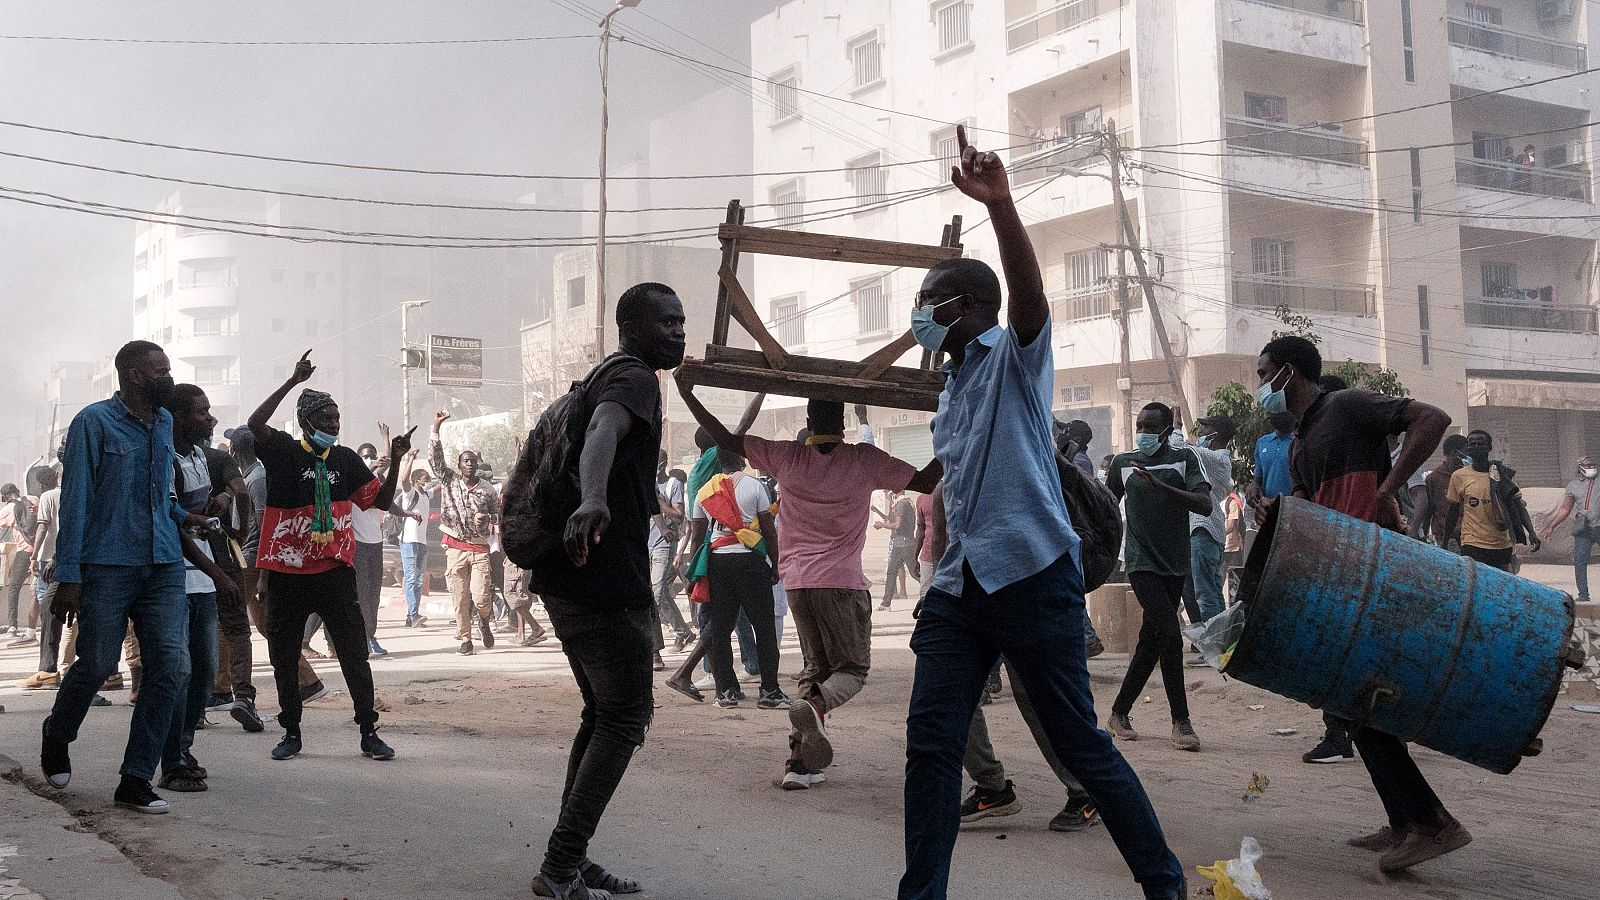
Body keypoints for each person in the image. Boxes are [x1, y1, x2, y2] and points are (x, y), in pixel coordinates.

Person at [896, 125, 1184, 900]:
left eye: (930, 302)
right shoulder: (951, 393)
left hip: (1031, 578)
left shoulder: (1013, 360)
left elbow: (1028, 297)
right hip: (962, 592)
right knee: (930, 747)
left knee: (1080, 747)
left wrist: (1001, 204)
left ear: (969, 308)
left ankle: (1165, 884)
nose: (919, 315)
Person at [1257, 334, 1469, 873]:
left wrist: (1387, 489)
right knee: (1356, 704)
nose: (1261, 387)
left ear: (1288, 373)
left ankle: (1431, 824)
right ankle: (1404, 821)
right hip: (1342, 578)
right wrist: (1279, 516)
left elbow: (1433, 418)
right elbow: (1309, 510)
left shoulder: (1346, 405)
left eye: (1265, 375)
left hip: (1377, 571)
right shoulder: (1303, 441)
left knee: (1364, 701)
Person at [680, 390, 938, 787]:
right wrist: (961, 434)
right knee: (851, 669)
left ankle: (799, 765)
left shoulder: (786, 456)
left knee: (815, 667)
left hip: (797, 583)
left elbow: (727, 441)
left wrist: (687, 394)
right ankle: (814, 706)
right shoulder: (864, 459)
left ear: (809, 420)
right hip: (842, 584)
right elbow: (926, 478)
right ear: (842, 422)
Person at [521, 282, 685, 900]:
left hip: (571, 573)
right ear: (633, 328)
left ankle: (572, 856)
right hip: (602, 575)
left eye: (681, 322)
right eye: (667, 323)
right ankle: (561, 865)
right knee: (623, 717)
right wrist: (594, 499)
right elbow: (602, 437)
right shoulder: (633, 379)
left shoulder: (606, 375)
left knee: (603, 713)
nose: (678, 331)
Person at [41, 341, 229, 813]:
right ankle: (58, 733)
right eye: (160, 370)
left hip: (163, 563)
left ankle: (136, 778)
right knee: (98, 663)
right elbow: (77, 500)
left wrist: (184, 517)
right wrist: (69, 575)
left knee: (173, 668)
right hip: (108, 565)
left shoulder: (165, 422)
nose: (169, 376)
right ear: (133, 375)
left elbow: (157, 495)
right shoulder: (93, 421)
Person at [248, 350, 408, 764]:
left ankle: (369, 731)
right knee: (284, 656)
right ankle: (291, 732)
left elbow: (382, 502)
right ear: (306, 422)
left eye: (337, 420)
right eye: (326, 420)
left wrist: (398, 459)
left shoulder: (346, 460)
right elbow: (254, 425)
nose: (333, 426)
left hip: (335, 573)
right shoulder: (283, 451)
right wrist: (291, 382)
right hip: (286, 573)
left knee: (355, 654)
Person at [157, 384, 251, 792]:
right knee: (177, 672)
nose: (211, 420)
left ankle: (182, 749)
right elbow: (175, 526)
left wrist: (225, 516)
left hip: (203, 576)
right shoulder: (164, 460)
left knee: (202, 671)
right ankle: (170, 759)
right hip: (172, 575)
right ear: (178, 418)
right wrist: (218, 571)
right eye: (202, 412)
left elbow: (233, 503)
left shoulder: (201, 458)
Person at [1104, 403, 1212, 750]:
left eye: (1151, 427)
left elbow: (1204, 504)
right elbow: (1105, 507)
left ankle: (1119, 712)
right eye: (1140, 426)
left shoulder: (1185, 459)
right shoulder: (1123, 463)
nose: (1144, 433)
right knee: (1170, 635)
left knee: (1151, 641)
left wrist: (1161, 487)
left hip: (1175, 564)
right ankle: (1181, 722)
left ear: (1167, 431)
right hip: (1140, 563)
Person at [683, 445, 784, 709]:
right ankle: (769, 692)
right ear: (741, 459)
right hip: (751, 561)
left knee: (720, 627)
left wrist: (695, 572)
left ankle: (725, 692)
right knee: (763, 626)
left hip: (718, 563)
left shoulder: (706, 491)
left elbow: (697, 536)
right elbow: (768, 530)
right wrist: (775, 564)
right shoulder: (754, 486)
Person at [431, 410, 500, 655]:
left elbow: (497, 514)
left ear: (477, 465)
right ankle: (465, 638)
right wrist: (436, 428)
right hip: (454, 545)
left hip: (479, 546)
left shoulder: (488, 490)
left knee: (481, 596)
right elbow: (436, 460)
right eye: (465, 461)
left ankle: (483, 620)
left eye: (473, 461)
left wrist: (488, 518)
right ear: (459, 466)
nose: (469, 464)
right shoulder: (449, 481)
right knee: (459, 597)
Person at [1443, 429, 1538, 572]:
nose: (1475, 447)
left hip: (1501, 543)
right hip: (1472, 543)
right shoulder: (1458, 476)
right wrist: (1445, 541)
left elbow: (1518, 506)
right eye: (1472, 444)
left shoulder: (1503, 474)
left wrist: (1531, 532)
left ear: (1489, 448)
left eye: (1480, 444)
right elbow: (1453, 511)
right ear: (1467, 448)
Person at [1182, 413, 1235, 624]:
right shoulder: (1216, 459)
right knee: (1211, 590)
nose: (1201, 433)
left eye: (1205, 429)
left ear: (1216, 435)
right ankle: (1220, 644)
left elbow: (1182, 449)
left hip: (1203, 531)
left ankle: (1213, 646)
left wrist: (1177, 426)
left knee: (1205, 593)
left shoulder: (1216, 459)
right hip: (1209, 531)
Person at [21, 468, 63, 688]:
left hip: (51, 561)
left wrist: (34, 556)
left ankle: (48, 670)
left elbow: (43, 527)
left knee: (48, 610)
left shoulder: (48, 497)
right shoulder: (76, 493)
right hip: (73, 559)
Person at [352, 429, 392, 657]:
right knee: (361, 592)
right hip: (358, 543)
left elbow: (386, 501)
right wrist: (374, 464)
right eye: (366, 456)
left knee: (374, 593)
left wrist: (386, 442)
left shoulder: (378, 480)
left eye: (372, 455)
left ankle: (370, 634)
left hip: (376, 542)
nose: (370, 459)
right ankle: (361, 637)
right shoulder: (355, 477)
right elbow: (367, 470)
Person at [648, 449, 693, 652]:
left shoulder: (673, 484)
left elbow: (678, 516)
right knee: (661, 592)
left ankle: (649, 641)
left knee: (656, 593)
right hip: (646, 543)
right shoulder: (645, 483)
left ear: (662, 464)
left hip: (664, 543)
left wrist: (658, 503)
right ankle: (683, 631)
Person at [1540, 455, 1600, 601]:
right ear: (1579, 468)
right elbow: (1565, 508)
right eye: (1587, 466)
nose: (1591, 468)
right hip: (1583, 528)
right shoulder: (1573, 485)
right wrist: (1551, 526)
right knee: (1580, 560)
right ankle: (1583, 595)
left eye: (1593, 465)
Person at [394, 459, 434, 627]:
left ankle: (412, 616)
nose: (428, 482)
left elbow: (440, 487)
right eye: (425, 479)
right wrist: (410, 459)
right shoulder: (410, 493)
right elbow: (404, 480)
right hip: (409, 541)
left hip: (421, 542)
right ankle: (413, 614)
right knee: (411, 578)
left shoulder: (425, 494)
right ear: (417, 480)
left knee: (418, 579)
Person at [1415, 435, 1467, 546]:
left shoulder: (1468, 476)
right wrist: (1424, 533)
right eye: (1464, 454)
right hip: (1444, 537)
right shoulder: (1434, 478)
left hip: (1469, 536)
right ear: (1453, 453)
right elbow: (1429, 509)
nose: (1466, 458)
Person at [1, 482, 37, 642]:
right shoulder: (33, 499)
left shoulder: (8, 509)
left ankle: (12, 625)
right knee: (39, 590)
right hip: (41, 551)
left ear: (7, 496)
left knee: (14, 587)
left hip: (25, 552)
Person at [876, 487, 919, 610]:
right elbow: (893, 519)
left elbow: (897, 524)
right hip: (902, 543)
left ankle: (935, 593)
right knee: (892, 573)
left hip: (904, 544)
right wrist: (890, 501)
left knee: (914, 573)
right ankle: (886, 603)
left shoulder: (902, 504)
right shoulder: (906, 502)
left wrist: (882, 525)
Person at [1252, 410, 1297, 523]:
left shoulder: (1299, 443)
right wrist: (1254, 490)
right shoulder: (1262, 442)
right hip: (1268, 511)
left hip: (1293, 510)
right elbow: (1258, 479)